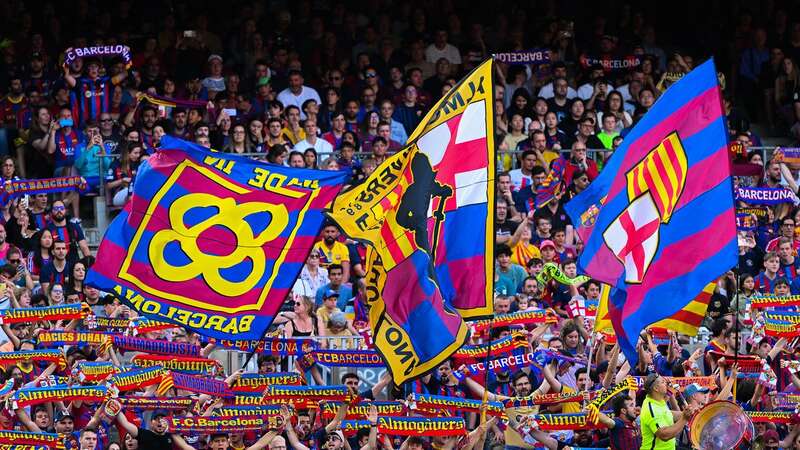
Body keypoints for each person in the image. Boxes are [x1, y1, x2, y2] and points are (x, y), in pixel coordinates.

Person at [640, 373, 696, 450]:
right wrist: (684, 418)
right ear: (656, 388)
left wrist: (689, 413)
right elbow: (664, 435)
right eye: (663, 382)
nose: (666, 383)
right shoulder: (651, 408)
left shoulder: (659, 401)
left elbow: (668, 414)